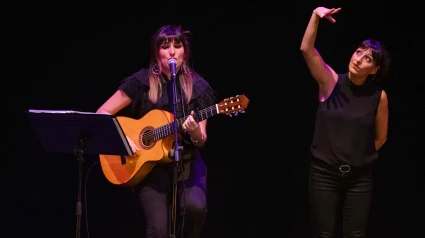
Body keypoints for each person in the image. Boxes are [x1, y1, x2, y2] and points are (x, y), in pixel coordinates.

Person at [96, 24, 218, 238]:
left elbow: (201, 139)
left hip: (187, 162)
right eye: (165, 46)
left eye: (177, 46)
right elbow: (103, 112)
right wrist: (121, 139)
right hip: (150, 168)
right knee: (159, 230)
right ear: (156, 52)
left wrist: (193, 132)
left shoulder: (198, 88)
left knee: (195, 209)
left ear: (184, 52)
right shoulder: (140, 82)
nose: (172, 51)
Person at [300, 6, 390, 238]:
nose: (359, 59)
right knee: (324, 234)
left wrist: (357, 157)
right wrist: (315, 16)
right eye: (358, 52)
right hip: (324, 174)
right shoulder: (330, 82)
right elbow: (306, 49)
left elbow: (381, 138)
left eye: (367, 58)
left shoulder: (378, 97)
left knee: (355, 234)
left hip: (359, 177)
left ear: (375, 69)